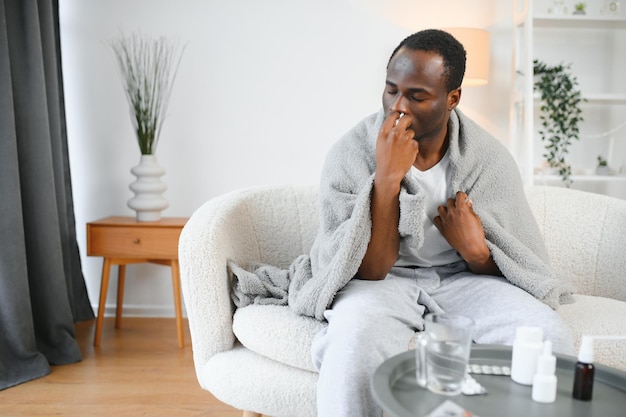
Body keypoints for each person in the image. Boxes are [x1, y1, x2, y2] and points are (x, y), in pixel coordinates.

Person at [306, 29, 576, 417]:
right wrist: (386, 180)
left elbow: (516, 261)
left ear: (453, 98)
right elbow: (371, 269)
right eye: (391, 90)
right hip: (381, 282)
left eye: (417, 95)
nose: (398, 107)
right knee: (353, 340)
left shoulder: (487, 158)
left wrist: (477, 252)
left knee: (547, 336)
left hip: (461, 281)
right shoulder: (351, 153)